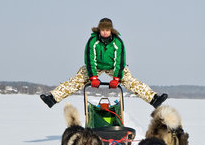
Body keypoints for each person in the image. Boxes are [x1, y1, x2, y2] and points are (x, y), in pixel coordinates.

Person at [40, 18, 168, 109]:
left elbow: (120, 61)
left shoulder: (117, 42)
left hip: (113, 68)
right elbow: (90, 60)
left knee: (130, 80)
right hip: (96, 67)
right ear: (99, 30)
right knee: (77, 80)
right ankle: (52, 98)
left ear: (111, 30)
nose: (105, 32)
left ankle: (154, 99)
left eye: (107, 29)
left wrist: (117, 78)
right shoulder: (93, 41)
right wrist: (93, 77)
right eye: (103, 30)